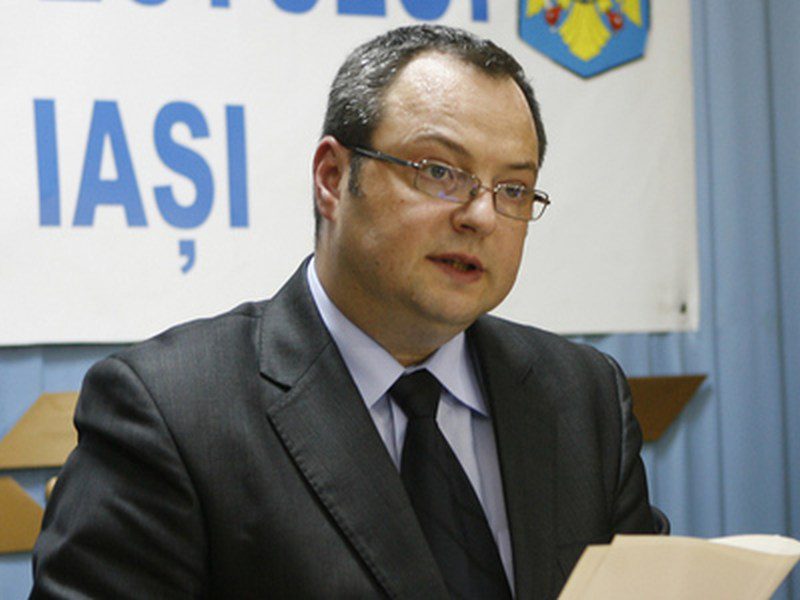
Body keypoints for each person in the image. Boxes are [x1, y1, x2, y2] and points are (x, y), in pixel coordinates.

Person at [31, 24, 664, 599]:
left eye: (514, 189)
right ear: (333, 178)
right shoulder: (171, 412)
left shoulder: (583, 398)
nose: (481, 216)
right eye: (440, 171)